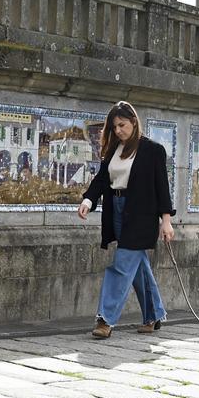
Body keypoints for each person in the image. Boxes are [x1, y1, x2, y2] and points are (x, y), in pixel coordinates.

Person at [77, 101, 176, 339]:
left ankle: (105, 319)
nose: (118, 130)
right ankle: (153, 314)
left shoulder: (153, 150)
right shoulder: (113, 150)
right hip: (117, 212)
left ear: (133, 121)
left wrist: (166, 221)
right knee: (138, 265)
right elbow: (102, 180)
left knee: (121, 266)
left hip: (141, 215)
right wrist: (88, 201)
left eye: (122, 125)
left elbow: (162, 187)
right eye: (114, 127)